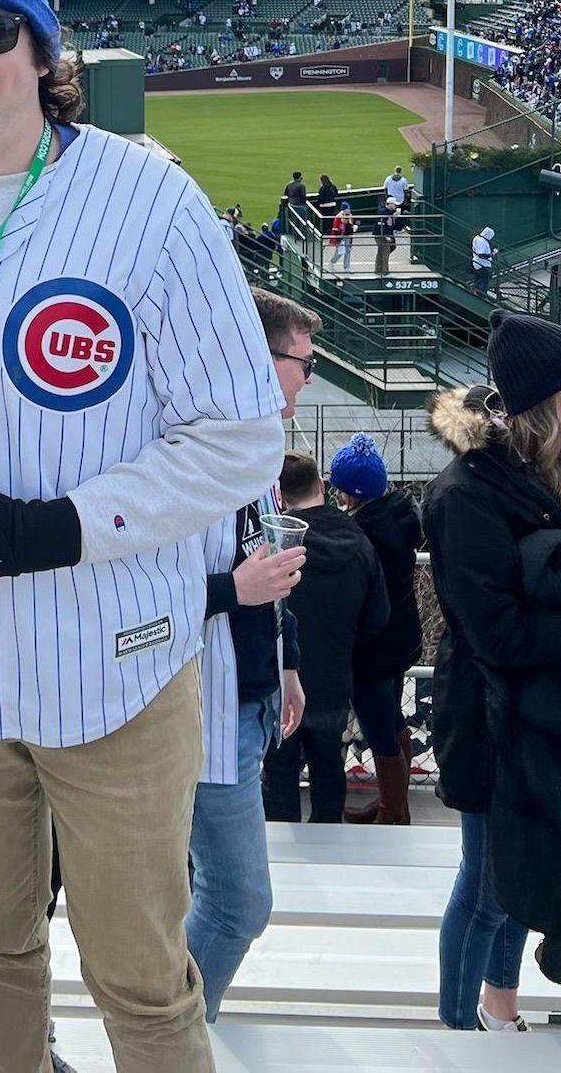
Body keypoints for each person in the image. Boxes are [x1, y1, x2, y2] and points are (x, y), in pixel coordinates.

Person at [0, 0, 285, 1073]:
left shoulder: (148, 195)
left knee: (142, 978)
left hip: (116, 662)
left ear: (42, 51)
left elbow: (242, 435)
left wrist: (57, 526)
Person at [426, 312, 561, 1013]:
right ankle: (456, 1030)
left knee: (521, 877)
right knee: (485, 887)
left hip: (553, 711)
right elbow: (500, 637)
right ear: (541, 400)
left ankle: (500, 1005)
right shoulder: (466, 495)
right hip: (491, 719)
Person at [186, 284, 310, 1020]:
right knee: (239, 903)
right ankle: (169, 1042)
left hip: (252, 698)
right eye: (303, 361)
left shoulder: (260, 445)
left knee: (211, 893)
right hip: (205, 713)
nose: (309, 377)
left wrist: (285, 661)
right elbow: (133, 592)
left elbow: (264, 574)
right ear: (260, 358)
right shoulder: (200, 447)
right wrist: (234, 591)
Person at [260, 452, 388, 824]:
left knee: (279, 773)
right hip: (335, 676)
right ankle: (331, 849)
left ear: (279, 496)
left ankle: (283, 864)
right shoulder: (360, 542)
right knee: (329, 767)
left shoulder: (272, 548)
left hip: (283, 677)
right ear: (322, 487)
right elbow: (377, 618)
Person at [329, 433, 424, 825]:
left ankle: (392, 811)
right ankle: (392, 801)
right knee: (393, 720)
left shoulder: (360, 535)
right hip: (401, 635)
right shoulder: (402, 514)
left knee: (378, 726)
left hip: (372, 647)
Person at [326, 201, 356, 273]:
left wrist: (353, 228)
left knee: (348, 251)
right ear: (344, 209)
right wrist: (338, 240)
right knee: (340, 252)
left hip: (348, 237)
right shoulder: (338, 217)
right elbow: (335, 230)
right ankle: (332, 262)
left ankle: (346, 268)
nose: (349, 210)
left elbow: (350, 227)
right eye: (348, 208)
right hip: (340, 237)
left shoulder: (349, 216)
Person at [373, 199, 399, 277]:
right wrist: (385, 236)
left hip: (388, 234)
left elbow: (397, 227)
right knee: (385, 251)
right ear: (389, 204)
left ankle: (378, 269)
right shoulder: (383, 212)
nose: (395, 206)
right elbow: (380, 225)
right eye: (394, 204)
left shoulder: (391, 213)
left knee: (385, 250)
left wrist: (398, 218)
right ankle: (384, 271)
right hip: (380, 235)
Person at [471, 226, 496, 297]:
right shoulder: (482, 241)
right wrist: (491, 255)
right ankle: (480, 292)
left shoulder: (476, 238)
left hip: (476, 262)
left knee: (479, 277)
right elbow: (481, 255)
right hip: (482, 263)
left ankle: (477, 291)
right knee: (485, 279)